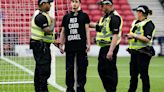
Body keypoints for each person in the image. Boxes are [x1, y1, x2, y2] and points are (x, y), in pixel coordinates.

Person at [90, 0, 123, 91]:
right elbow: (98, 26)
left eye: (102, 5)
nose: (100, 7)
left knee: (109, 71)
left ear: (108, 5)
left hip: (110, 47)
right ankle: (109, 89)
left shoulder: (115, 18)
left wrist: (111, 51)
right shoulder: (105, 17)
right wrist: (84, 22)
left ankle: (111, 89)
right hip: (104, 47)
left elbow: (115, 35)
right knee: (101, 70)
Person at [59, 0, 91, 92]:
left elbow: (87, 30)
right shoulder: (66, 17)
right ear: (70, 3)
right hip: (69, 47)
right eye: (73, 1)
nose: (74, 3)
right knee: (69, 69)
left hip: (81, 46)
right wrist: (61, 44)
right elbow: (63, 31)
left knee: (82, 68)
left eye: (76, 1)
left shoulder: (84, 16)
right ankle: (70, 88)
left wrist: (88, 43)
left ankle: (80, 87)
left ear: (79, 3)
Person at [126, 5, 155, 92]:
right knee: (133, 75)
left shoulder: (149, 24)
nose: (136, 13)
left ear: (141, 13)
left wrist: (134, 35)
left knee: (143, 75)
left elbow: (147, 39)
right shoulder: (135, 22)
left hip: (144, 53)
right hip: (134, 52)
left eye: (137, 11)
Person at [29, 0, 56, 92]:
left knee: (40, 71)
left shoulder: (40, 15)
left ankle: (39, 89)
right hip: (41, 47)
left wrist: (54, 42)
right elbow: (48, 31)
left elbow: (45, 36)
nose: (50, 5)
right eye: (49, 3)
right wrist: (53, 22)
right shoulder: (40, 17)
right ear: (43, 4)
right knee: (44, 72)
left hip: (40, 46)